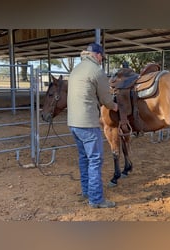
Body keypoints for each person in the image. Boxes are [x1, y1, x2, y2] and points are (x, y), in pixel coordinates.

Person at [67, 43, 118, 208]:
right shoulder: (96, 71)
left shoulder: (76, 69)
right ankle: (96, 200)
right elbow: (106, 99)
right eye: (101, 55)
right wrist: (116, 106)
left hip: (73, 123)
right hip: (87, 123)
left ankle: (86, 191)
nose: (102, 58)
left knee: (84, 159)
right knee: (95, 160)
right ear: (96, 55)